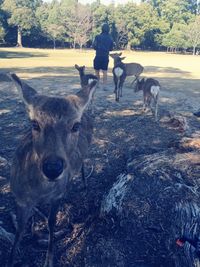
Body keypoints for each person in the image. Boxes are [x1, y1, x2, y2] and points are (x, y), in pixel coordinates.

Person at [93, 23, 113, 90]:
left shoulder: (97, 37)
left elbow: (94, 46)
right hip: (105, 57)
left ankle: (97, 84)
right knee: (105, 72)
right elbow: (111, 49)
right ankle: (105, 86)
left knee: (97, 72)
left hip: (98, 56)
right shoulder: (110, 38)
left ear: (102, 29)